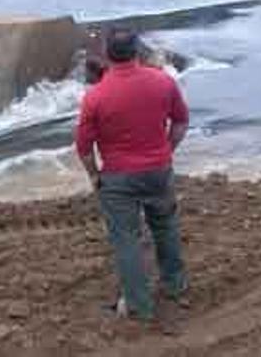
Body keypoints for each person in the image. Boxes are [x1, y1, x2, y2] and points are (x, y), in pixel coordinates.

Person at [75, 28, 190, 322]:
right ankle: (175, 285)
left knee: (126, 239)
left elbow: (84, 147)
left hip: (118, 177)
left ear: (108, 55)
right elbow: (180, 121)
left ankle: (138, 304)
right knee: (165, 226)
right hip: (158, 170)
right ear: (137, 51)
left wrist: (94, 175)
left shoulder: (96, 96)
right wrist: (167, 151)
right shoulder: (163, 81)